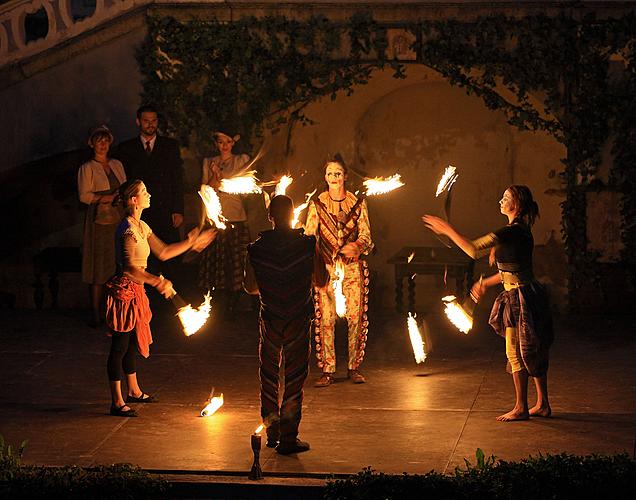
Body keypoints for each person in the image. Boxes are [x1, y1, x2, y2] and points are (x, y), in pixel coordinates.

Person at [422, 185, 553, 421]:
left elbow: (472, 250)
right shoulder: (518, 232)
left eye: (506, 198)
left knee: (519, 352)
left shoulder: (511, 232)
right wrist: (486, 282)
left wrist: (447, 229)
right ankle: (542, 404)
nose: (500, 201)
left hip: (521, 298)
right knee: (531, 350)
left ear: (518, 204)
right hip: (520, 294)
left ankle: (522, 407)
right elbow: (512, 270)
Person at [105, 179, 215, 417]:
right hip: (124, 292)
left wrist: (190, 242)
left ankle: (134, 391)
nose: (149, 194)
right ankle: (116, 401)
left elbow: (164, 252)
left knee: (132, 344)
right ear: (134, 200)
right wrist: (157, 281)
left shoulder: (141, 226)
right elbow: (130, 268)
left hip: (137, 292)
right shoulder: (127, 229)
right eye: (144, 192)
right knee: (119, 346)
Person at [244, 195, 328, 454]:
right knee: (293, 379)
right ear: (293, 215)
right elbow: (323, 280)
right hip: (297, 320)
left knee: (268, 377)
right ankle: (288, 440)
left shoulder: (256, 248)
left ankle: (272, 433)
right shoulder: (306, 244)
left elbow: (249, 287)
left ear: (270, 217)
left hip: (271, 319)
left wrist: (272, 285)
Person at [304, 159, 373, 387]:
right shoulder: (317, 205)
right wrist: (316, 265)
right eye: (330, 173)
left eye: (338, 173)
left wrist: (358, 246)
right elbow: (309, 238)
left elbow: (367, 237)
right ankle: (328, 370)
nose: (334, 177)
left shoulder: (358, 203)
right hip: (326, 269)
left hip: (352, 269)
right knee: (325, 319)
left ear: (345, 176)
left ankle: (354, 367)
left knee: (355, 318)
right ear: (325, 177)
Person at [112, 104, 185, 258]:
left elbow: (178, 179)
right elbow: (124, 180)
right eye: (146, 120)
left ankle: (169, 282)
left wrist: (178, 209)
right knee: (142, 254)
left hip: (166, 209)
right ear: (138, 122)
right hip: (139, 210)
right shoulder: (127, 148)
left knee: (170, 254)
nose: (150, 124)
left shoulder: (170, 146)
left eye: (153, 120)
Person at [77, 125, 126, 326]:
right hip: (100, 220)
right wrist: (106, 197)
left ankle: (117, 312)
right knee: (100, 266)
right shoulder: (87, 168)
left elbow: (125, 187)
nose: (103, 144)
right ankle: (97, 314)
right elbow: (84, 196)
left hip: (119, 216)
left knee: (119, 264)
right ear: (92, 143)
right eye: (99, 140)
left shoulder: (117, 164)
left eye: (106, 140)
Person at [199, 129, 251, 316]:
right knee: (217, 262)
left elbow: (245, 186)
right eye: (221, 142)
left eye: (228, 141)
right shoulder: (209, 162)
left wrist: (223, 180)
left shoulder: (240, 160)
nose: (224, 145)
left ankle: (234, 302)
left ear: (233, 143)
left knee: (234, 261)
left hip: (236, 218)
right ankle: (216, 303)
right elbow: (206, 188)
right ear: (216, 144)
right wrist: (215, 174)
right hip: (215, 220)